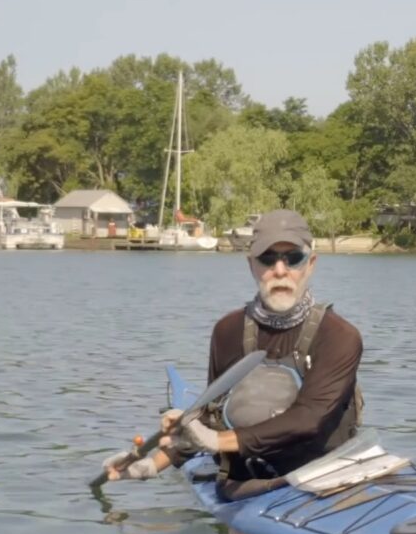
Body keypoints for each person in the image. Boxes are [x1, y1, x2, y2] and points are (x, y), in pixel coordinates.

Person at [105, 208, 364, 488]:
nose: (280, 270)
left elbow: (309, 419)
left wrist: (217, 441)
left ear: (310, 264)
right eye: (268, 258)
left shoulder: (339, 336)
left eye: (293, 258)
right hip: (244, 484)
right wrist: (150, 465)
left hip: (322, 479)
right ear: (251, 264)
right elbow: (210, 418)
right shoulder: (227, 331)